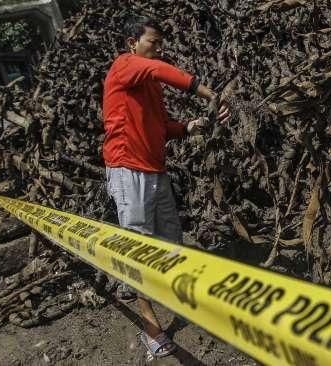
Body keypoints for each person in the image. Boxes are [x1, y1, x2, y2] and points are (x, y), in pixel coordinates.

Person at [102, 15, 229, 358]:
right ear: (133, 43)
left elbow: (162, 128)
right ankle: (150, 328)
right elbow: (162, 71)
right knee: (138, 247)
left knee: (171, 241)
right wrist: (208, 92)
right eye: (152, 43)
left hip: (155, 171)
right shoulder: (125, 65)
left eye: (160, 44)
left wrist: (191, 126)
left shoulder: (149, 85)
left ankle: (178, 301)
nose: (158, 49)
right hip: (128, 170)